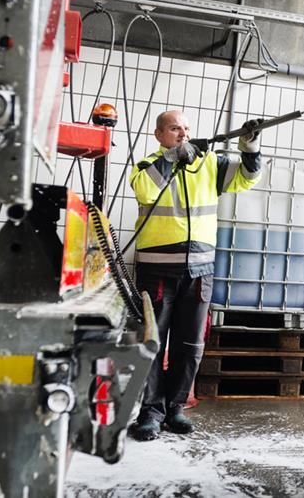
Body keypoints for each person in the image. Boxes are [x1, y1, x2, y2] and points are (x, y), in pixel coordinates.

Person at [127, 109, 264, 441]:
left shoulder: (209, 164)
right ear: (160, 135)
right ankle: (150, 412)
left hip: (200, 269)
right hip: (157, 269)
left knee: (190, 344)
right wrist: (174, 157)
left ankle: (175, 408)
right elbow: (145, 191)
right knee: (153, 343)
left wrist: (250, 146)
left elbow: (248, 178)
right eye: (175, 129)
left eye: (186, 129)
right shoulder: (146, 165)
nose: (183, 134)